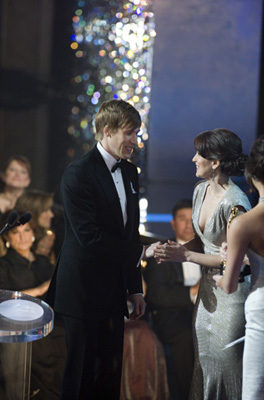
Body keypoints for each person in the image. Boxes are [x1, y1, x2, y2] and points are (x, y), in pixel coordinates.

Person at [46, 99, 156, 400]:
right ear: (107, 131)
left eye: (137, 133)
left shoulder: (130, 173)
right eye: (129, 133)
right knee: (81, 377)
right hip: (81, 291)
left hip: (113, 292)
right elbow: (89, 238)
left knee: (110, 375)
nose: (135, 141)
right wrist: (141, 253)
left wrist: (135, 289)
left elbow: (129, 233)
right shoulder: (78, 173)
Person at [154, 128, 251, 400]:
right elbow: (201, 242)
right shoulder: (200, 190)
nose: (194, 158)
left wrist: (185, 257)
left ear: (216, 161)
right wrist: (176, 250)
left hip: (229, 297)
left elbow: (236, 258)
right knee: (204, 366)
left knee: (225, 368)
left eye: (200, 154)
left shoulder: (236, 202)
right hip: (206, 296)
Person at [214, 133, 264, 399]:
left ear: (253, 172)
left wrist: (224, 265)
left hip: (263, 309)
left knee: (255, 391)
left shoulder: (245, 223)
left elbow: (229, 285)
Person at [142, 199, 201, 400]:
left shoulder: (208, 249)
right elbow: (157, 295)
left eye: (191, 219)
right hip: (171, 316)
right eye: (182, 219)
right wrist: (193, 292)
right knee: (185, 337)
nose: (187, 224)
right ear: (173, 223)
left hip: (203, 312)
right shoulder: (161, 252)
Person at [0, 211, 55, 399]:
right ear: (7, 237)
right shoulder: (4, 265)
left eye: (26, 231)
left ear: (33, 233)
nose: (22, 237)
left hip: (50, 327)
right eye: (16, 233)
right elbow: (4, 300)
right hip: (20, 330)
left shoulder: (44, 262)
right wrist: (39, 290)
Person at [16, 189, 57, 264]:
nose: (51, 215)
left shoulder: (48, 237)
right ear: (34, 211)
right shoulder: (20, 241)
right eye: (46, 210)